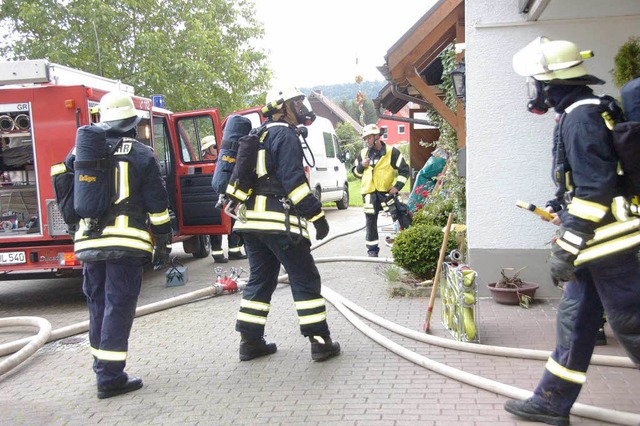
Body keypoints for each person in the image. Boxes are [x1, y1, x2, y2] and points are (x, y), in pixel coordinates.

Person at [506, 36, 640, 425]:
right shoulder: (582, 111)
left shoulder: (580, 118)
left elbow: (595, 189)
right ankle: (551, 401)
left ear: (549, 82)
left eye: (533, 81)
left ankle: (551, 401)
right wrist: (556, 205)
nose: (531, 90)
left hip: (606, 243)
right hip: (595, 243)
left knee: (632, 326)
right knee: (575, 324)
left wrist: (568, 246)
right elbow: (584, 178)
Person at [225, 86, 340, 362]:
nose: (301, 106)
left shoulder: (257, 134)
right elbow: (294, 183)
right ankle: (320, 341)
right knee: (305, 277)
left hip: (251, 223)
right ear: (282, 107)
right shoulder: (285, 134)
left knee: (260, 279)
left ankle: (250, 342)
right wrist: (316, 216)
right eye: (296, 102)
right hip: (280, 223)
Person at [70, 91, 173, 399]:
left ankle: (101, 367)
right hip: (126, 244)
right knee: (118, 305)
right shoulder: (141, 154)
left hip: (88, 241)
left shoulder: (80, 153)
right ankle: (111, 377)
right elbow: (157, 203)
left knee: (98, 304)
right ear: (131, 123)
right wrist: (164, 241)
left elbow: (66, 192)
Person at [352, 124, 410, 257]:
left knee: (401, 214)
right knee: (371, 221)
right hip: (369, 194)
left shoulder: (391, 152)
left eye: (369, 138)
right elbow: (355, 173)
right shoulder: (362, 154)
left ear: (377, 137)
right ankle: (372, 251)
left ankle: (410, 242)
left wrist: (397, 187)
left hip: (386, 193)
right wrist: (361, 166)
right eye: (365, 139)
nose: (366, 141)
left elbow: (404, 170)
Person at [201, 135, 246, 263]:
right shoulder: (206, 162)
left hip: (227, 197)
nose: (217, 148)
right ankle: (217, 253)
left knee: (233, 224)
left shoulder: (222, 159)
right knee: (216, 227)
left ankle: (234, 251)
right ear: (208, 149)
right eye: (214, 146)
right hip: (214, 198)